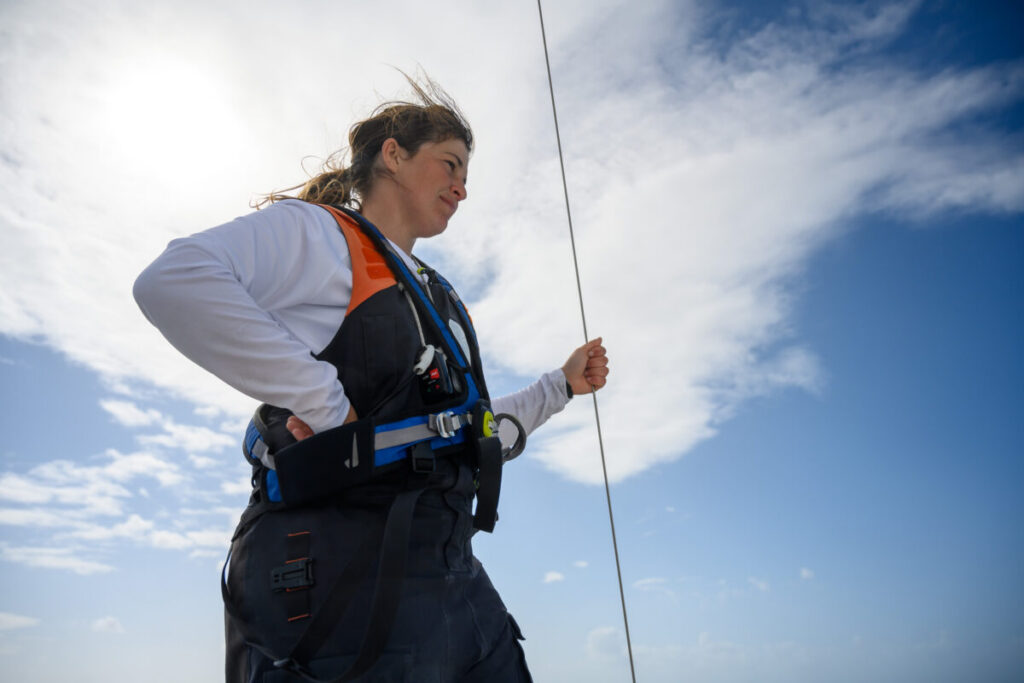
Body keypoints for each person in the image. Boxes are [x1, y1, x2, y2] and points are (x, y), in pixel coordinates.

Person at [133, 76, 609, 682]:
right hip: (347, 580)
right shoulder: (321, 234)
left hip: (453, 583)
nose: (462, 188)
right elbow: (174, 280)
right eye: (450, 164)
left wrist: (562, 386)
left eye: (466, 175)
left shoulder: (434, 293)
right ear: (393, 155)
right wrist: (326, 405)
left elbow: (471, 430)